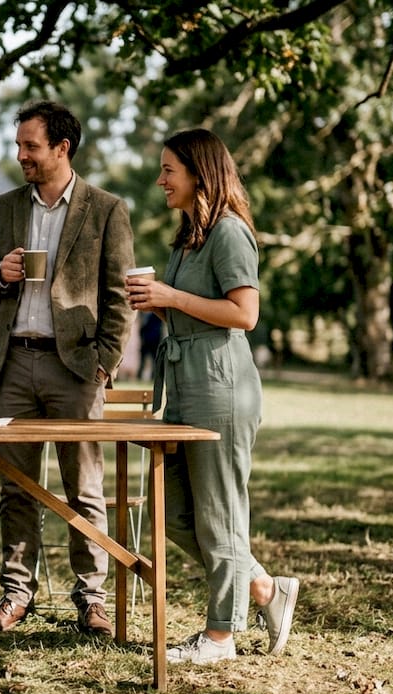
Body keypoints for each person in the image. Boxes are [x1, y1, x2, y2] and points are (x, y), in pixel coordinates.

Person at [125, 127, 298, 664]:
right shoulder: (189, 236)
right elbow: (192, 306)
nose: (160, 180)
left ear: (199, 172)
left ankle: (220, 636)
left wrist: (171, 296)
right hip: (182, 381)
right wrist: (159, 304)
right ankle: (265, 589)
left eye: (168, 170)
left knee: (220, 515)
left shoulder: (228, 232)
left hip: (220, 385)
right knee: (175, 513)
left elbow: (244, 314)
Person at [0, 100, 135, 637]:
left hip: (76, 369)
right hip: (13, 364)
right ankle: (15, 595)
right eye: (19, 145)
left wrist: (104, 365)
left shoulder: (107, 209)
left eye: (30, 146)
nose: (21, 155)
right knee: (15, 488)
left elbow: (120, 297)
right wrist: (1, 272)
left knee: (83, 488)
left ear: (62, 148)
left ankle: (93, 600)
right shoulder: (5, 206)